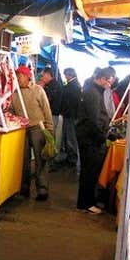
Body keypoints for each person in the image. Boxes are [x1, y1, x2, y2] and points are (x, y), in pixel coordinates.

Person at [75, 66, 116, 213]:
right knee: (89, 171)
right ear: (103, 79)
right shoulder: (92, 93)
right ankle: (86, 203)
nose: (109, 85)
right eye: (109, 82)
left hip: (90, 136)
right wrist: (102, 135)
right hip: (89, 138)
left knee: (90, 170)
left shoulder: (95, 91)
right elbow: (93, 119)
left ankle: (86, 202)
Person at [11, 65, 53, 201]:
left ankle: (42, 189)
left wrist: (50, 128)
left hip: (37, 128)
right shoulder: (14, 92)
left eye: (20, 76)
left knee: (41, 160)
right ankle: (24, 188)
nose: (18, 78)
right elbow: (11, 110)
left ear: (28, 76)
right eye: (17, 76)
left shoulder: (38, 90)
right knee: (24, 160)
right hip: (21, 129)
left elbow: (47, 110)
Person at [60, 67, 81, 167]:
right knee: (69, 137)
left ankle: (72, 159)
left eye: (66, 75)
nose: (65, 77)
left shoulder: (73, 86)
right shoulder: (75, 85)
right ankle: (70, 157)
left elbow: (71, 102)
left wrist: (65, 111)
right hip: (71, 115)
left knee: (70, 138)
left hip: (70, 116)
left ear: (70, 75)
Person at [38, 67, 63, 141]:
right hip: (48, 114)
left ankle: (51, 152)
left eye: (43, 75)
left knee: (50, 135)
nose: (41, 78)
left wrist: (41, 88)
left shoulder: (55, 85)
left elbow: (47, 99)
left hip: (52, 114)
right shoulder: (49, 85)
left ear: (48, 74)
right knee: (47, 135)